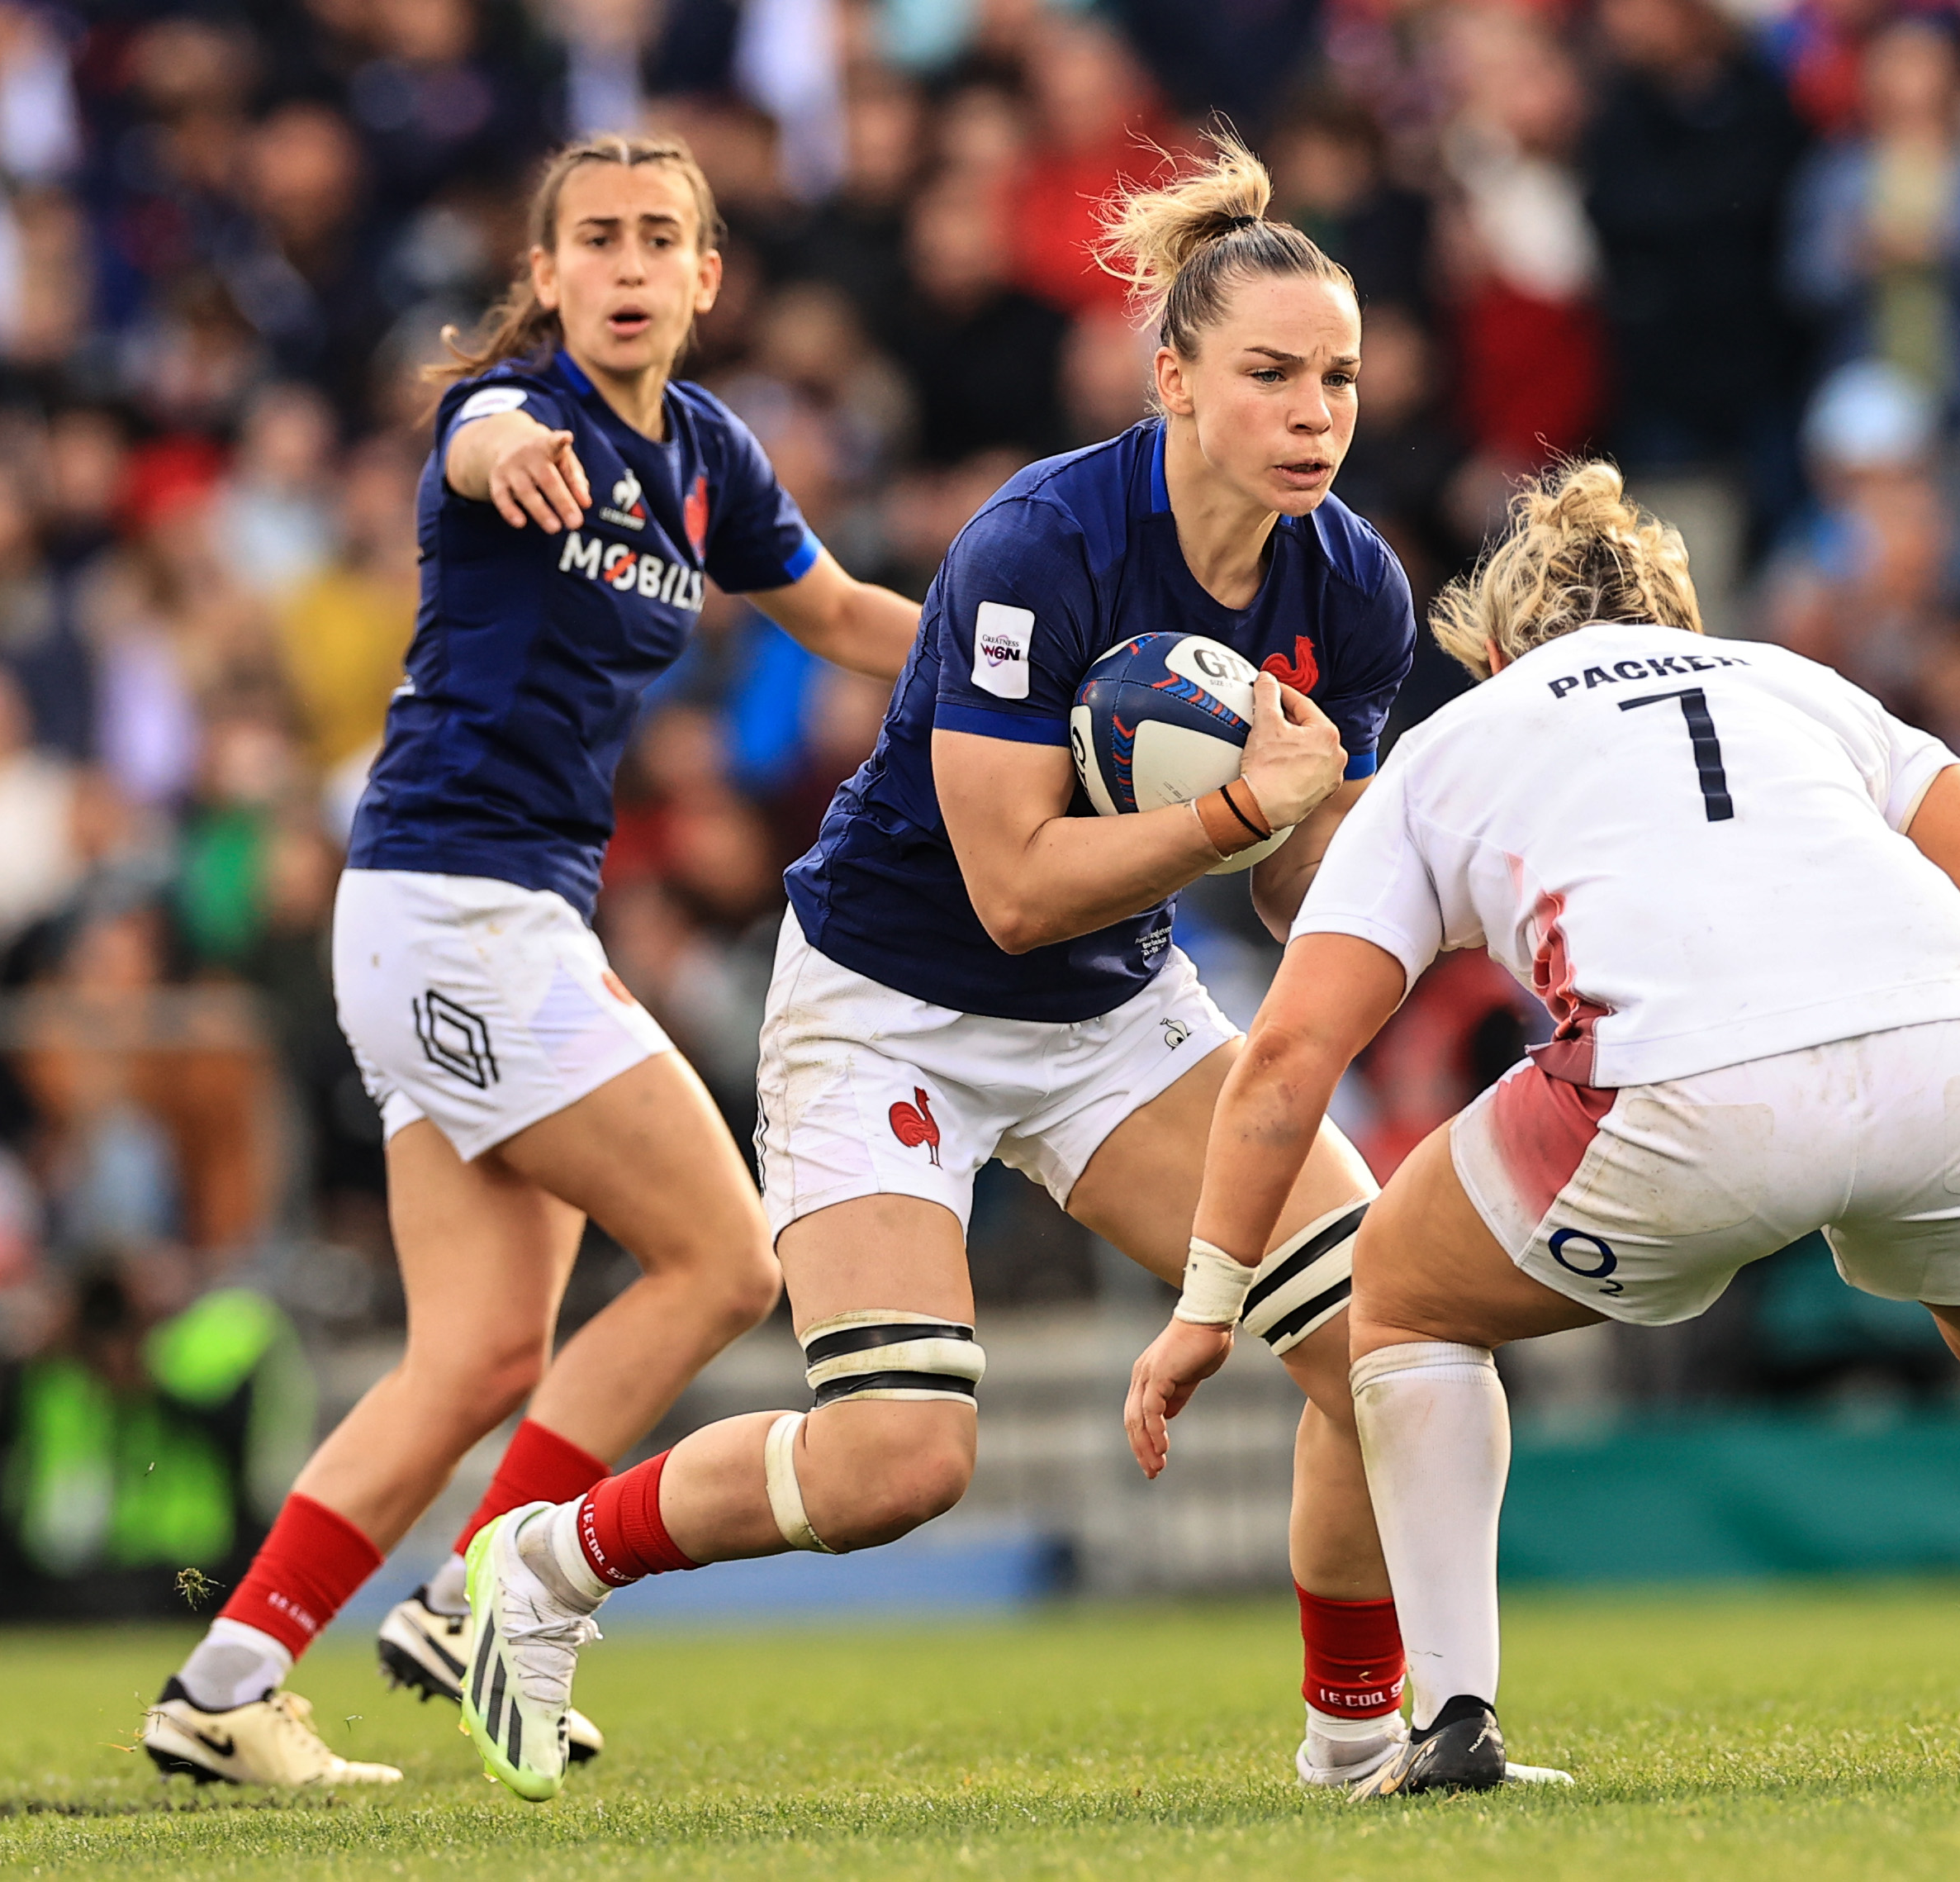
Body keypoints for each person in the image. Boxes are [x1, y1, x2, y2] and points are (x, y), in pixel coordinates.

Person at [1123, 462, 1960, 1795]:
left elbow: (1287, 1055)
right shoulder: (1795, 682)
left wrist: (1212, 1296)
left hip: (1677, 1095)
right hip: (1944, 1055)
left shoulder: (1461, 738)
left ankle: (1455, 1718)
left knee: (1397, 1293)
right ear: (1681, 619)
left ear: (1502, 647)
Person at [445, 137, 1450, 1807]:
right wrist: (1229, 802)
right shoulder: (1038, 540)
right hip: (889, 1000)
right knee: (897, 1459)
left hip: (1113, 1012)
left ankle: (1355, 1739)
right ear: (1174, 380)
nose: (1312, 412)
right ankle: (547, 1559)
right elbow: (1003, 890)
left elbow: (1288, 884)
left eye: (1336, 377)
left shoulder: (1348, 586)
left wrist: (1369, 852)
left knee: (1384, 1343)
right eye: (1268, 374)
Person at [140, 132, 921, 1788]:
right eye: (597, 239)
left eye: (662, 237)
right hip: (450, 903)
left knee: (484, 1350)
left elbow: (842, 612)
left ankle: (226, 1674)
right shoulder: (513, 415)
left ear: (707, 276)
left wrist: (1029, 674)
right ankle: (482, 1579)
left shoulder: (709, 454)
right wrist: (498, 441)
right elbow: (478, 436)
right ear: (550, 272)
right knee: (725, 1257)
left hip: (497, 916)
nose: (631, 264)